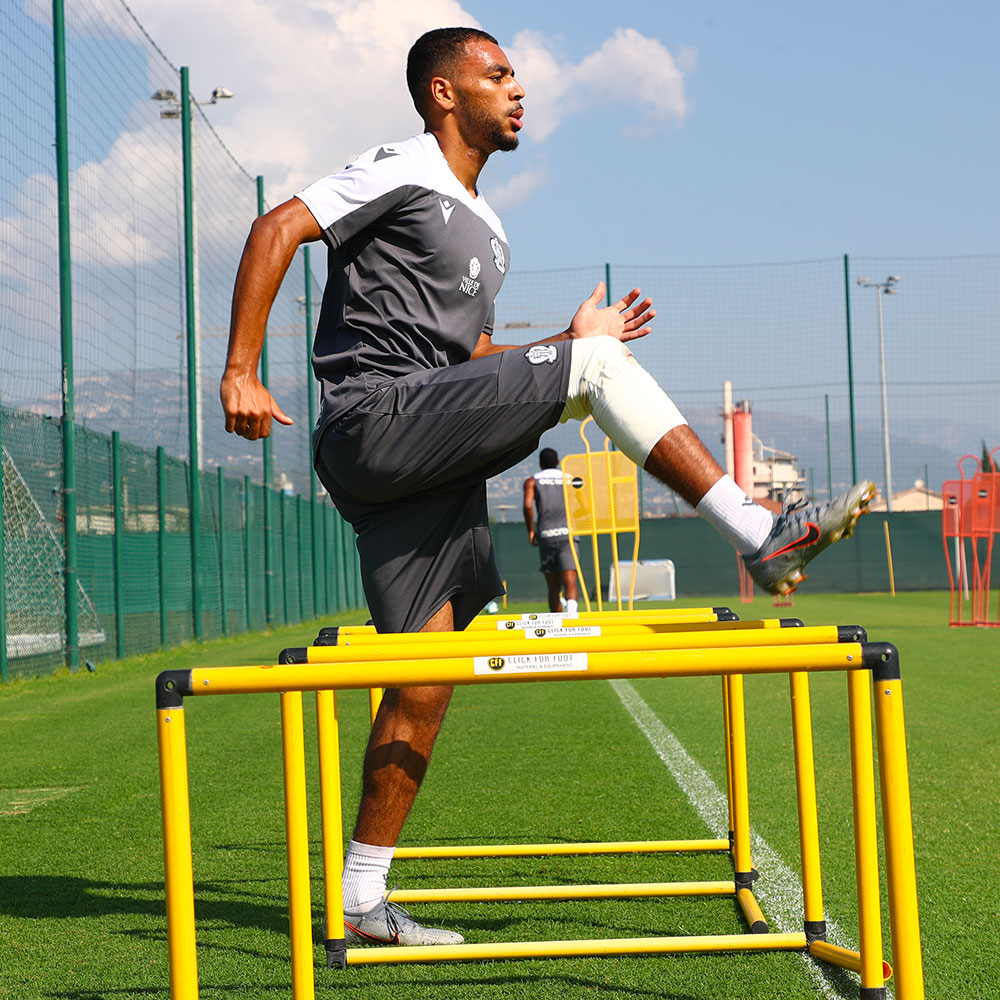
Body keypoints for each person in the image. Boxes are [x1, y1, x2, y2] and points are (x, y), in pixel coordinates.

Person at [220, 26, 874, 947]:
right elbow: (276, 227)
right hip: (375, 418)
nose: (518, 90)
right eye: (498, 75)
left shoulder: (490, 231)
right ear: (445, 93)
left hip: (424, 452)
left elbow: (472, 360)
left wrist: (563, 346)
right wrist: (241, 370)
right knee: (596, 369)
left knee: (425, 677)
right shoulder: (400, 167)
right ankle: (759, 533)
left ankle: (362, 899)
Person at [523, 448, 579, 614]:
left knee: (553, 586)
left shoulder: (532, 481)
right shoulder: (569, 479)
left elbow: (527, 505)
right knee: (570, 579)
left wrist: (531, 531)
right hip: (568, 534)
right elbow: (584, 504)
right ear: (558, 462)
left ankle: (557, 624)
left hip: (546, 535)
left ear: (540, 464)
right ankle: (572, 617)